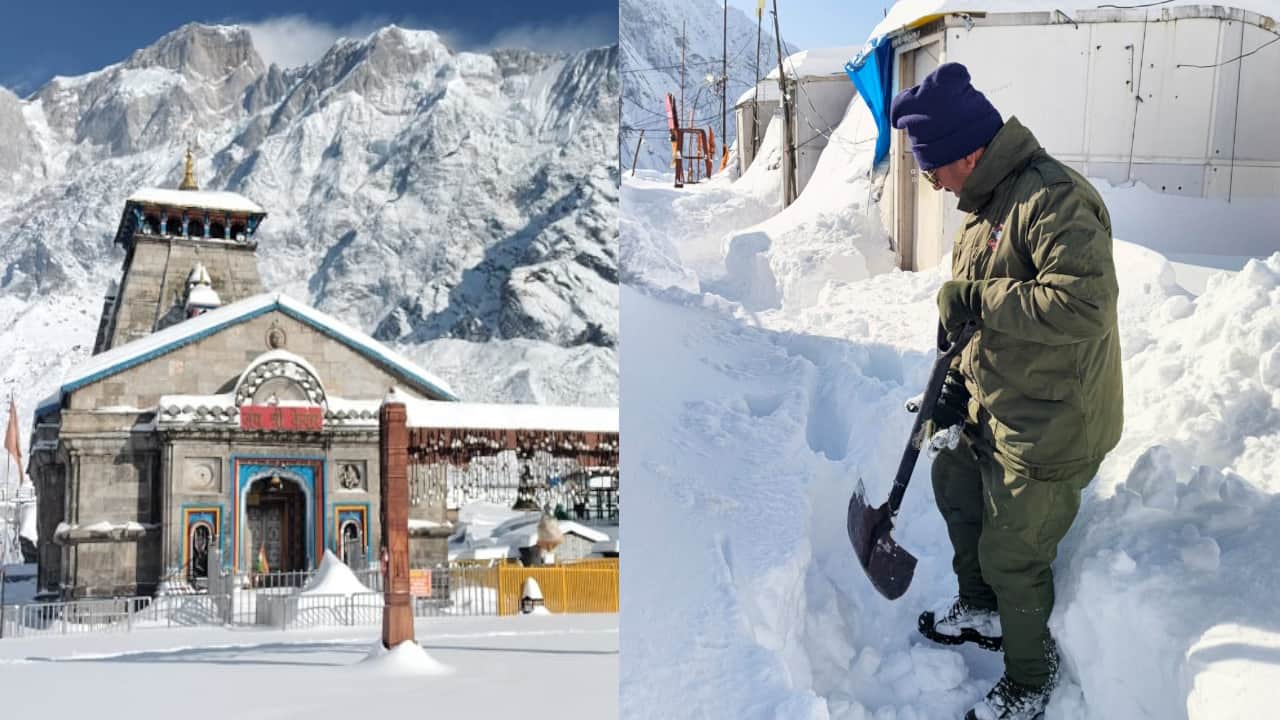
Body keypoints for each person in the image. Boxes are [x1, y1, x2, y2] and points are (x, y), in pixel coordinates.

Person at [888, 63, 1123, 720]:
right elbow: (973, 323)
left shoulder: (1054, 200)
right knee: (953, 479)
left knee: (1013, 554)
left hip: (1055, 419)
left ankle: (1030, 679)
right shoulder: (981, 215)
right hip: (1002, 403)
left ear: (967, 152)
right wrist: (954, 393)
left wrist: (980, 299)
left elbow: (1084, 305)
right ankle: (985, 610)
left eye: (933, 168)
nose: (931, 182)